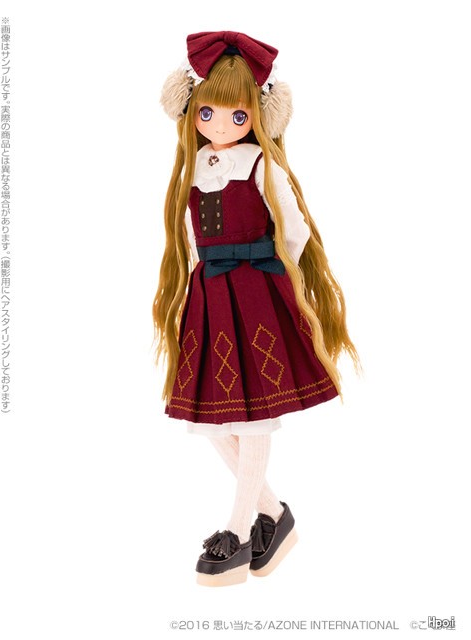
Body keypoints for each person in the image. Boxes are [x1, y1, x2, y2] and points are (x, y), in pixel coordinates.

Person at [153, 31, 359, 586]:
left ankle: (238, 528)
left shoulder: (262, 166)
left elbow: (294, 230)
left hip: (255, 293)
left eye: (237, 116)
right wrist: (195, 289)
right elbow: (192, 238)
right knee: (208, 417)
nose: (221, 126)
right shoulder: (194, 168)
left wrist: (268, 275)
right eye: (209, 113)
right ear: (192, 110)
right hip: (209, 295)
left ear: (258, 116)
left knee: (254, 413)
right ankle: (274, 515)